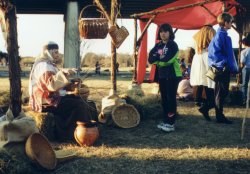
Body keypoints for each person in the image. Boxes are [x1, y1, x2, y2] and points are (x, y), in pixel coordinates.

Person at [29, 41, 92, 141]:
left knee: (78, 99)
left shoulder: (50, 65)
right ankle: (73, 135)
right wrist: (64, 74)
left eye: (57, 52)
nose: (57, 55)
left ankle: (85, 131)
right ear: (47, 53)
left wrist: (72, 83)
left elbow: (58, 85)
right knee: (78, 104)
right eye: (55, 52)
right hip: (44, 101)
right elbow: (51, 85)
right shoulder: (43, 66)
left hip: (51, 97)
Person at [148, 23, 182, 132]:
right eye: (161, 31)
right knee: (164, 99)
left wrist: (157, 60)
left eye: (165, 31)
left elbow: (168, 60)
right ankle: (166, 120)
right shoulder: (158, 45)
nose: (163, 34)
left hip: (173, 75)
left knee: (171, 99)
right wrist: (159, 59)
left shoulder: (173, 44)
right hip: (162, 76)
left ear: (170, 33)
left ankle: (171, 123)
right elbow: (150, 58)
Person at [208, 12, 238, 124]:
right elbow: (214, 52)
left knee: (222, 92)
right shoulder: (220, 35)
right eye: (231, 21)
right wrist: (224, 63)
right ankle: (219, 116)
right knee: (221, 92)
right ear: (225, 23)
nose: (232, 23)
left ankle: (209, 109)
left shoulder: (222, 34)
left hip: (223, 67)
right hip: (222, 68)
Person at [190, 25, 216, 121]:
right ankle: (206, 106)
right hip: (208, 60)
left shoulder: (196, 38)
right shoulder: (212, 33)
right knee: (209, 85)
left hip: (198, 59)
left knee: (201, 82)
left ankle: (203, 103)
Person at [240, 34, 250, 105]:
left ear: (244, 43)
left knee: (244, 84)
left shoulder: (243, 52)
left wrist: (239, 69)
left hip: (246, 68)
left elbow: (242, 63)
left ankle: (244, 99)